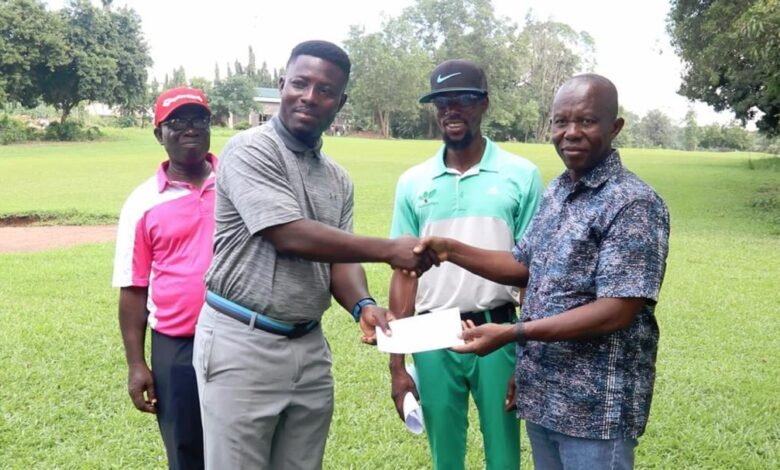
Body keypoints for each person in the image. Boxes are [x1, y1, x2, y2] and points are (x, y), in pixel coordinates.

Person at [192, 40, 436, 469]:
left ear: (339, 103)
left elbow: (338, 260)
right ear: (282, 84)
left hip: (308, 346)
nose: (309, 96)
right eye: (300, 83)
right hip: (241, 341)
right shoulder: (251, 148)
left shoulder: (337, 179)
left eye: (325, 90)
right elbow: (287, 234)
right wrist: (390, 250)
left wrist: (363, 305)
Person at [415, 74, 670, 469]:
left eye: (586, 121)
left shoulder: (633, 203)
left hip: (594, 411)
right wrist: (450, 250)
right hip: (545, 398)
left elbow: (617, 310)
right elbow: (521, 266)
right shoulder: (558, 192)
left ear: (614, 127)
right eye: (561, 122)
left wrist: (513, 333)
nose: (571, 133)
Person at [387, 59, 543, 470]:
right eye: (441, 102)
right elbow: (403, 272)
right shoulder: (414, 182)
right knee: (446, 457)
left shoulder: (520, 175)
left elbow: (534, 273)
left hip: (498, 329)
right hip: (432, 332)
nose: (451, 110)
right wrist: (397, 367)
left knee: (504, 455)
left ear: (484, 104)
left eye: (463, 100)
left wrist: (526, 357)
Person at [112, 86, 216, 470]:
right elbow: (133, 288)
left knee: (245, 441)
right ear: (159, 134)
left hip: (240, 337)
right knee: (186, 447)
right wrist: (137, 364)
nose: (189, 129)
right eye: (176, 122)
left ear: (209, 126)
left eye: (197, 119)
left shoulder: (238, 183)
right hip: (177, 346)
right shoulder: (142, 203)